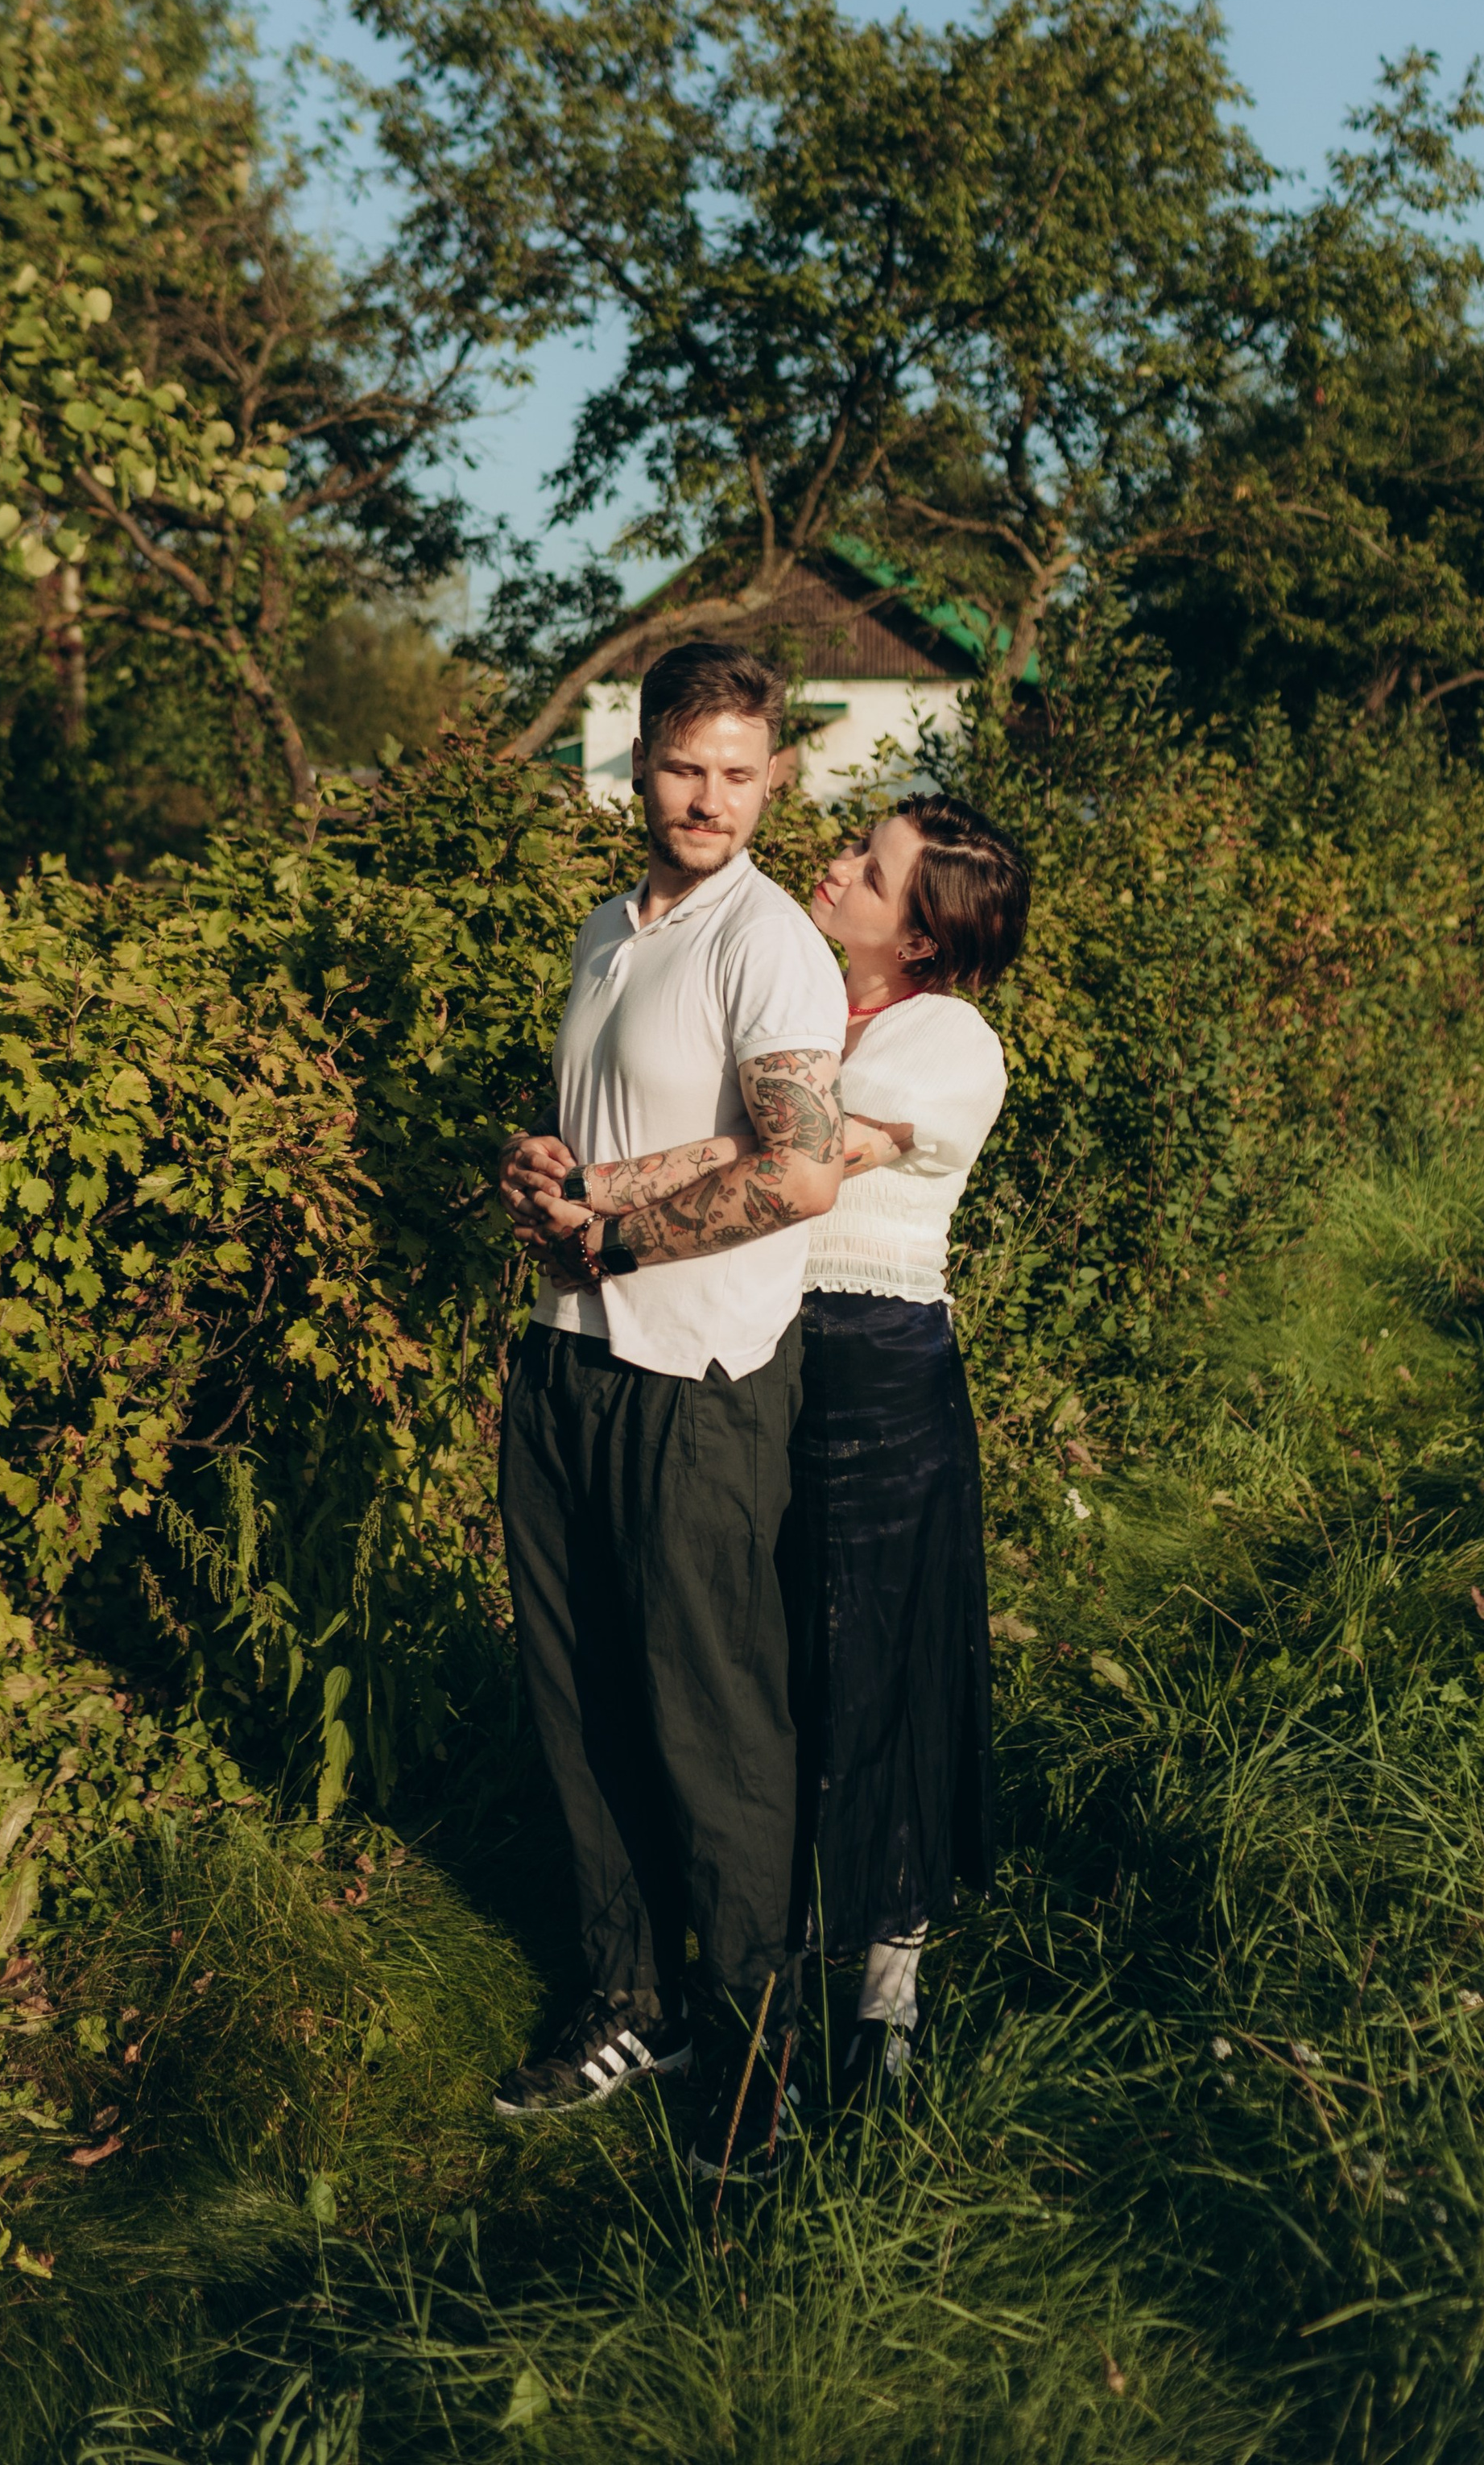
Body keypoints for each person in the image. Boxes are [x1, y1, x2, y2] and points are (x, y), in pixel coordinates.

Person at [491, 639, 849, 2181]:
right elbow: (619, 1135)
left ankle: (761, 2054)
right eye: (686, 768)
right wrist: (545, 1171)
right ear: (638, 764)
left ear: (776, 780)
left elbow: (802, 1172)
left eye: (739, 775)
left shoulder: (769, 945)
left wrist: (620, 1237)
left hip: (697, 1380)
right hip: (566, 1360)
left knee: (715, 1725)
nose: (710, 800)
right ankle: (631, 2000)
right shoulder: (608, 928)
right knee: (581, 1707)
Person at [787, 797, 1028, 2094]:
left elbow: (810, 1156)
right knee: (769, 1648)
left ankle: (888, 1990)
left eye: (869, 872)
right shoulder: (800, 994)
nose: (835, 869)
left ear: (923, 939)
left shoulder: (947, 1040)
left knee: (883, 1655)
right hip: (757, 1349)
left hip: (877, 1364)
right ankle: (767, 1944)